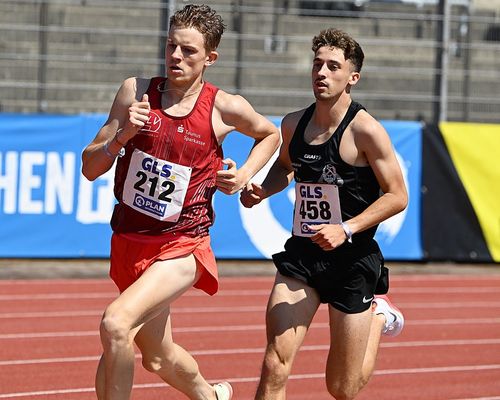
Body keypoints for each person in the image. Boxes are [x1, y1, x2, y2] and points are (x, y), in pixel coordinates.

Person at [81, 4, 280, 400]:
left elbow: (271, 134)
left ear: (210, 58)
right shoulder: (135, 92)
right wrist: (121, 137)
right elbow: (90, 166)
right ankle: (211, 396)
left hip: (182, 246)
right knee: (157, 356)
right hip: (128, 240)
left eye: (188, 50)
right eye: (171, 45)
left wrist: (244, 176)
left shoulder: (225, 107)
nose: (175, 56)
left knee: (116, 324)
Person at [240, 28, 408, 400]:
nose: (322, 73)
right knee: (274, 363)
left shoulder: (366, 131)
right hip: (303, 256)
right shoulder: (293, 124)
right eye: (317, 64)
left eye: (333, 66)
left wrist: (346, 229)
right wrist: (263, 190)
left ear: (352, 77)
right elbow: (285, 166)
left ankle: (379, 315)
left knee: (342, 388)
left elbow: (398, 196)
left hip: (352, 262)